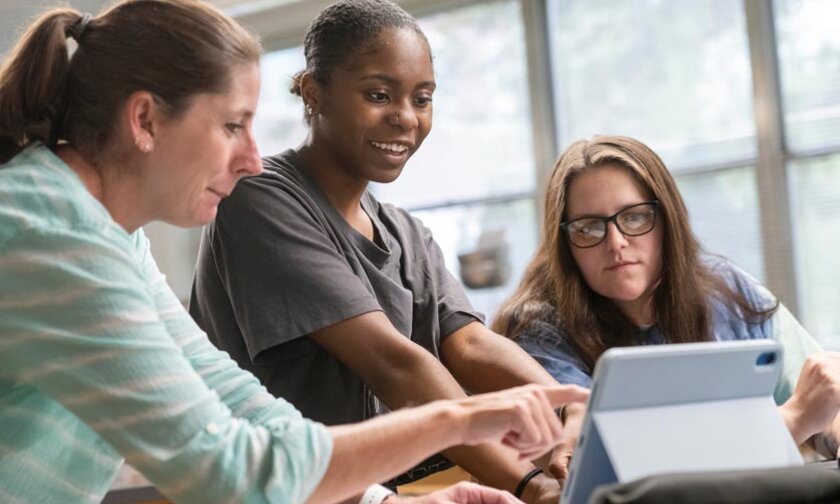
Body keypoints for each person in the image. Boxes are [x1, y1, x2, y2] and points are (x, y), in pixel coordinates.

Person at [0, 2, 589, 504]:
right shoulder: (50, 233)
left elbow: (234, 402)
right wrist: (458, 422)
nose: (252, 158)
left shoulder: (110, 234)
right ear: (146, 119)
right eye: (233, 125)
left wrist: (384, 502)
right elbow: (226, 463)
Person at [189, 0, 575, 500]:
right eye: (378, 94)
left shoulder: (405, 232)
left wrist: (569, 411)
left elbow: (470, 345)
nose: (405, 118)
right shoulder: (260, 198)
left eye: (423, 98)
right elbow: (395, 366)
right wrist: (531, 485)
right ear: (313, 92)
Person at [492, 134, 840, 461]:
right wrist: (794, 420)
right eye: (589, 227)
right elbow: (628, 468)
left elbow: (823, 399)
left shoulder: (726, 289)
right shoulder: (537, 330)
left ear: (667, 220)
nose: (616, 243)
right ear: (565, 244)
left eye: (635, 217)